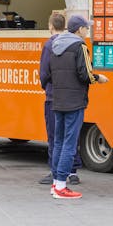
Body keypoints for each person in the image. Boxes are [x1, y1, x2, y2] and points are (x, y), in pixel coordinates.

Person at [48, 15, 108, 199]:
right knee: (69, 143)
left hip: (58, 99)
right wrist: (99, 78)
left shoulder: (54, 46)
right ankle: (61, 186)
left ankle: (55, 182)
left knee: (58, 142)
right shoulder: (79, 46)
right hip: (74, 100)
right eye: (86, 28)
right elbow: (85, 74)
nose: (87, 31)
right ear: (79, 29)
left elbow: (49, 73)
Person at [38, 12, 83, 186]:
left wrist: (47, 87)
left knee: (55, 137)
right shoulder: (74, 43)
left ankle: (56, 172)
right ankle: (73, 171)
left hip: (53, 96)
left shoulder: (50, 45)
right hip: (72, 96)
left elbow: (44, 73)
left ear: (50, 26)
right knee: (71, 136)